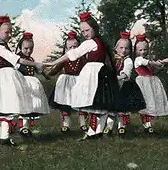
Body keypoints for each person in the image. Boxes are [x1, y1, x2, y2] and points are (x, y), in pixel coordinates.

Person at [44, 12, 119, 141]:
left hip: (94, 74)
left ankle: (93, 132)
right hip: (99, 72)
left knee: (94, 103)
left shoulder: (90, 43)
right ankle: (97, 131)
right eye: (82, 31)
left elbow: (72, 54)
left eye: (87, 30)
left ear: (94, 28)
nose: (85, 33)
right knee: (98, 104)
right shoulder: (99, 42)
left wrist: (52, 62)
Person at [0, 16, 43, 147]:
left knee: (5, 108)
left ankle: (2, 138)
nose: (9, 35)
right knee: (6, 107)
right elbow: (16, 59)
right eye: (6, 32)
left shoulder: (2, 45)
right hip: (5, 78)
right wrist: (35, 64)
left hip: (8, 76)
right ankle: (3, 138)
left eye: (10, 32)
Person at [102, 31, 147, 138]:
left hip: (124, 86)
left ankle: (122, 127)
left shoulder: (128, 61)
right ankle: (108, 127)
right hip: (113, 86)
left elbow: (127, 71)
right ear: (116, 48)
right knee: (111, 109)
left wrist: (120, 76)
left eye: (126, 48)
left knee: (123, 108)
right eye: (121, 48)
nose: (124, 50)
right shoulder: (112, 59)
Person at [47, 31, 89, 133]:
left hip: (78, 81)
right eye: (69, 47)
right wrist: (49, 74)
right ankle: (66, 125)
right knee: (65, 103)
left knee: (81, 103)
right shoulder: (65, 59)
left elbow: (87, 68)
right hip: (66, 82)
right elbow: (57, 68)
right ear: (66, 49)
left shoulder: (82, 59)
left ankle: (83, 124)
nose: (72, 50)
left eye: (75, 47)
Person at [132, 34, 168, 135]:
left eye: (145, 50)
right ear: (136, 50)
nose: (143, 52)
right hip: (143, 83)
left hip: (151, 82)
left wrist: (160, 65)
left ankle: (148, 125)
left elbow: (152, 66)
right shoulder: (138, 59)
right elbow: (147, 62)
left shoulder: (147, 59)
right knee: (145, 103)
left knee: (151, 102)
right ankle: (147, 125)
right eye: (140, 50)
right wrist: (155, 63)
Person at [14, 32, 51, 138]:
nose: (28, 51)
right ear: (20, 47)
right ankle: (22, 127)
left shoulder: (31, 59)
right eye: (26, 48)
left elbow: (37, 69)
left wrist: (45, 74)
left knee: (30, 105)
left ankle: (26, 128)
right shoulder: (17, 59)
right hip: (22, 82)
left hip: (31, 84)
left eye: (31, 49)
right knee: (23, 105)